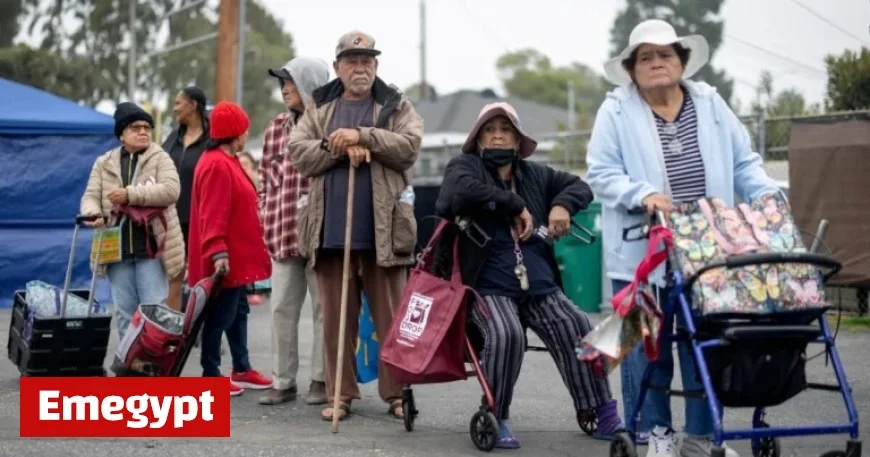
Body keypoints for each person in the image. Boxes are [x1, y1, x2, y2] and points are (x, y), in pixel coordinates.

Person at [585, 19, 781, 457]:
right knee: (643, 346)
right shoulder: (615, 110)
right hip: (641, 250)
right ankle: (656, 432)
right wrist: (642, 194)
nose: (657, 63)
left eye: (665, 54)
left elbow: (744, 162)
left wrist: (768, 195)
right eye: (646, 57)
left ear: (682, 61)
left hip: (708, 248)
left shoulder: (711, 103)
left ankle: (700, 436)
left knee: (704, 342)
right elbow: (601, 171)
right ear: (632, 68)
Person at [433, 102, 623, 449]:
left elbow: (580, 187)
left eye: (505, 130)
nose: (497, 136)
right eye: (489, 130)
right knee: (507, 333)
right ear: (478, 140)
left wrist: (561, 205)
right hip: (487, 286)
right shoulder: (464, 167)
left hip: (538, 284)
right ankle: (496, 412)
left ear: (518, 139)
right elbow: (453, 196)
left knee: (577, 322)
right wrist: (515, 204)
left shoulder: (536, 175)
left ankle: (600, 408)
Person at [288, 30, 423, 421]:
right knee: (336, 323)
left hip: (385, 233)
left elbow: (409, 146)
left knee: (391, 319)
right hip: (331, 232)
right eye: (351, 61)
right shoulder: (320, 106)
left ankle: (397, 394)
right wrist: (337, 145)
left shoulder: (396, 103)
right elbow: (299, 152)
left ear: (376, 65)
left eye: (366, 61)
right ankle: (340, 394)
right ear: (337, 67)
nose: (359, 67)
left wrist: (365, 137)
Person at [186, 101, 274, 396]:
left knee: (238, 312)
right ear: (234, 133)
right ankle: (210, 373)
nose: (247, 134)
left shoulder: (226, 160)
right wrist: (218, 252)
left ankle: (242, 367)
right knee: (218, 316)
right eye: (244, 130)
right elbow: (213, 213)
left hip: (236, 256)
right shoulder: (216, 165)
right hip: (224, 258)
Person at [257, 56, 331, 406]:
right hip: (281, 232)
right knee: (280, 310)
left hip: (321, 235)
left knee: (324, 310)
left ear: (310, 84)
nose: (284, 88)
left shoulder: (330, 123)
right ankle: (283, 381)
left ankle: (322, 379)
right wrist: (264, 213)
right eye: (282, 82)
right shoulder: (275, 127)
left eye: (290, 81)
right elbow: (264, 180)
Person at [79, 102, 186, 340]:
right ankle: (130, 360)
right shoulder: (104, 162)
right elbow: (90, 195)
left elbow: (171, 191)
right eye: (136, 127)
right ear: (122, 134)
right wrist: (92, 212)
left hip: (151, 251)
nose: (143, 132)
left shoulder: (161, 158)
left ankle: (152, 361)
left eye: (147, 128)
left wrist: (130, 194)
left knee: (154, 312)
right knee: (125, 314)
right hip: (116, 252)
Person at [163, 86, 210, 248]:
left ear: (193, 105)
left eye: (178, 103)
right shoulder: (172, 138)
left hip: (200, 222)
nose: (175, 109)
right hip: (170, 222)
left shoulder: (212, 139)